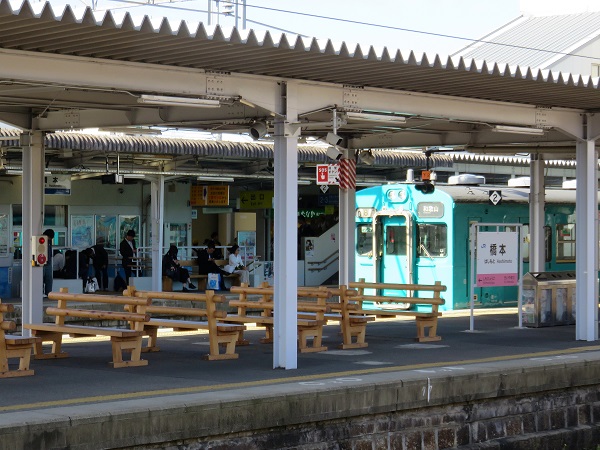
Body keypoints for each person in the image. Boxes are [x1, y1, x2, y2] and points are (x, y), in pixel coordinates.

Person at [42, 229, 55, 296]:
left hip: (48, 262)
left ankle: (48, 293)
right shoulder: (41, 240)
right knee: (41, 278)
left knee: (49, 278)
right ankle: (40, 292)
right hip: (41, 262)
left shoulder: (49, 241)